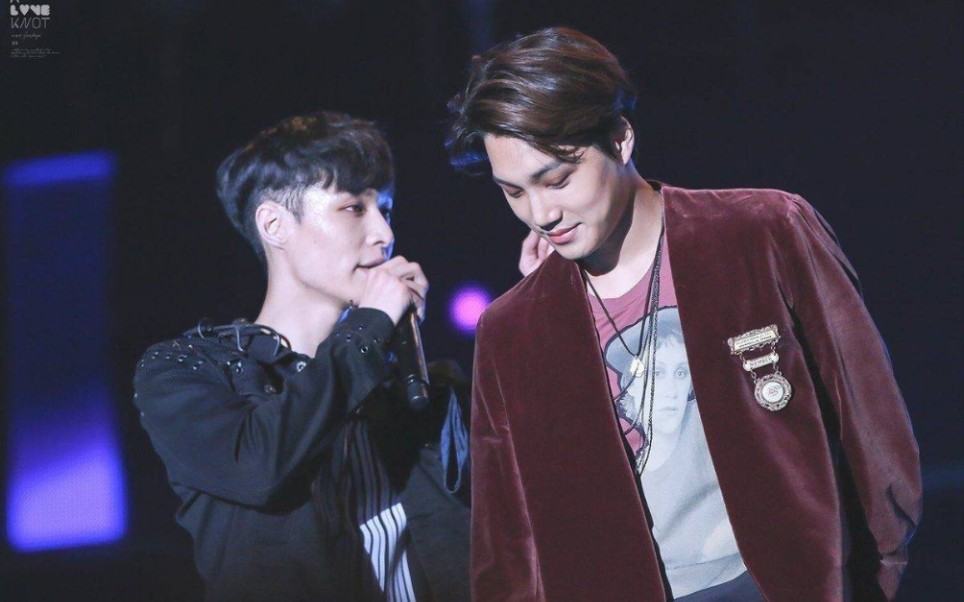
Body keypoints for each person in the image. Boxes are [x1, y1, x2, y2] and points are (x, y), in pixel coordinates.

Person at [447, 27, 921, 602]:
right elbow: (506, 545)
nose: (540, 212)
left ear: (620, 139)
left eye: (558, 179)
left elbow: (871, 423)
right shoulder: (512, 330)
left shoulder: (763, 234)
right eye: (513, 192)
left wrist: (873, 578)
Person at [133, 111, 472, 601]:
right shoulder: (188, 369)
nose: (383, 233)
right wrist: (369, 328)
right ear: (274, 224)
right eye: (353, 208)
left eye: (386, 209)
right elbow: (258, 468)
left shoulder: (411, 385)